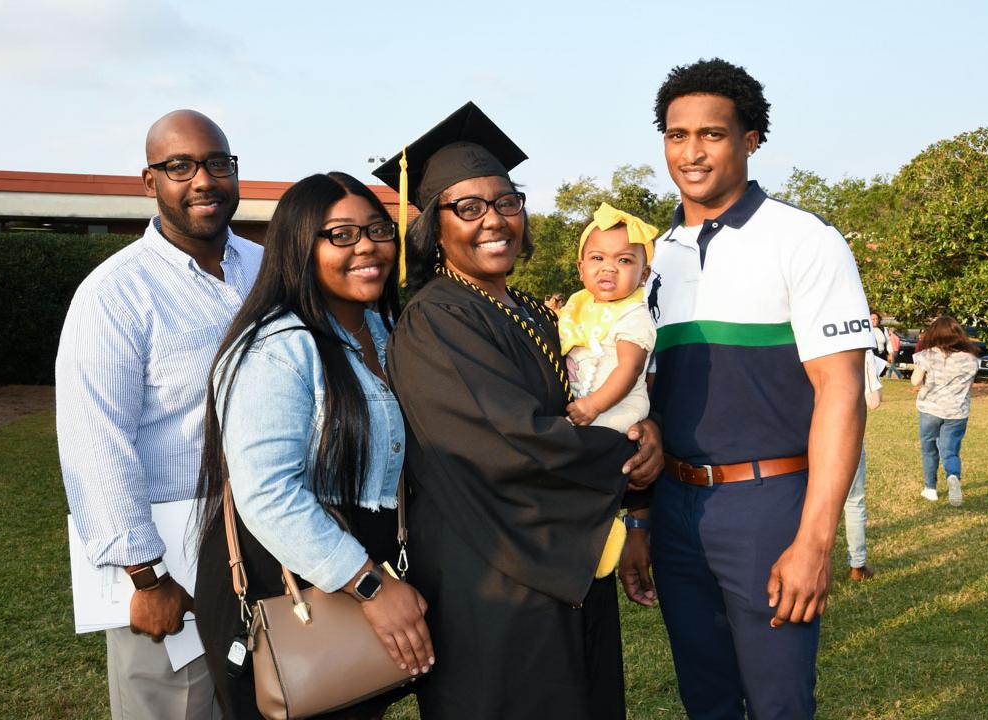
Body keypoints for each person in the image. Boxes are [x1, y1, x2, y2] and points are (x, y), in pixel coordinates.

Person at [372, 102, 664, 720]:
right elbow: (510, 440)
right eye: (468, 207)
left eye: (507, 201)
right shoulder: (435, 319)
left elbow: (586, 399)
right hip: (490, 575)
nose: (493, 220)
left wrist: (643, 434)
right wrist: (625, 456)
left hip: (559, 558)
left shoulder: (531, 308)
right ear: (431, 225)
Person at [619, 59, 871, 719]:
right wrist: (639, 518)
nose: (691, 152)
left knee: (778, 703)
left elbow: (839, 391)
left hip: (768, 507)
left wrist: (815, 541)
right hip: (675, 506)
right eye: (676, 135)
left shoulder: (803, 240)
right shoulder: (655, 255)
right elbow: (649, 398)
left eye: (711, 134)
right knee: (704, 701)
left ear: (750, 139)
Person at [191, 173, 433, 720]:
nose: (367, 245)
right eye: (340, 235)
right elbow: (268, 494)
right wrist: (371, 585)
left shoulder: (387, 331)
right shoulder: (277, 349)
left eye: (376, 229)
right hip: (284, 579)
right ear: (300, 246)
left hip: (355, 569)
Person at [57, 109, 262, 719]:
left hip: (267, 549)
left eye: (217, 163)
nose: (203, 179)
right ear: (150, 180)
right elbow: (95, 438)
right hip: (175, 563)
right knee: (180, 708)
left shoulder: (265, 269)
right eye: (180, 166)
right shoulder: (115, 293)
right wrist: (146, 577)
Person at [559, 202, 658, 433]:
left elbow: (630, 367)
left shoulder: (633, 316)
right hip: (585, 407)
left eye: (624, 260)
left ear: (644, 274)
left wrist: (594, 405)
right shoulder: (578, 307)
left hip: (617, 410)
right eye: (597, 258)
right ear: (581, 269)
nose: (609, 268)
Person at [911, 315, 981, 506]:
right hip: (957, 412)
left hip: (930, 409)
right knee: (950, 451)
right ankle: (953, 475)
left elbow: (915, 381)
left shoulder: (927, 355)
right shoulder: (971, 359)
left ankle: (930, 489)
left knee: (929, 449)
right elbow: (969, 386)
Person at [844, 349, 885, 582]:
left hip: (803, 436)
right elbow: (874, 401)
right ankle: (857, 566)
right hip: (846, 436)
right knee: (853, 502)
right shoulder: (861, 350)